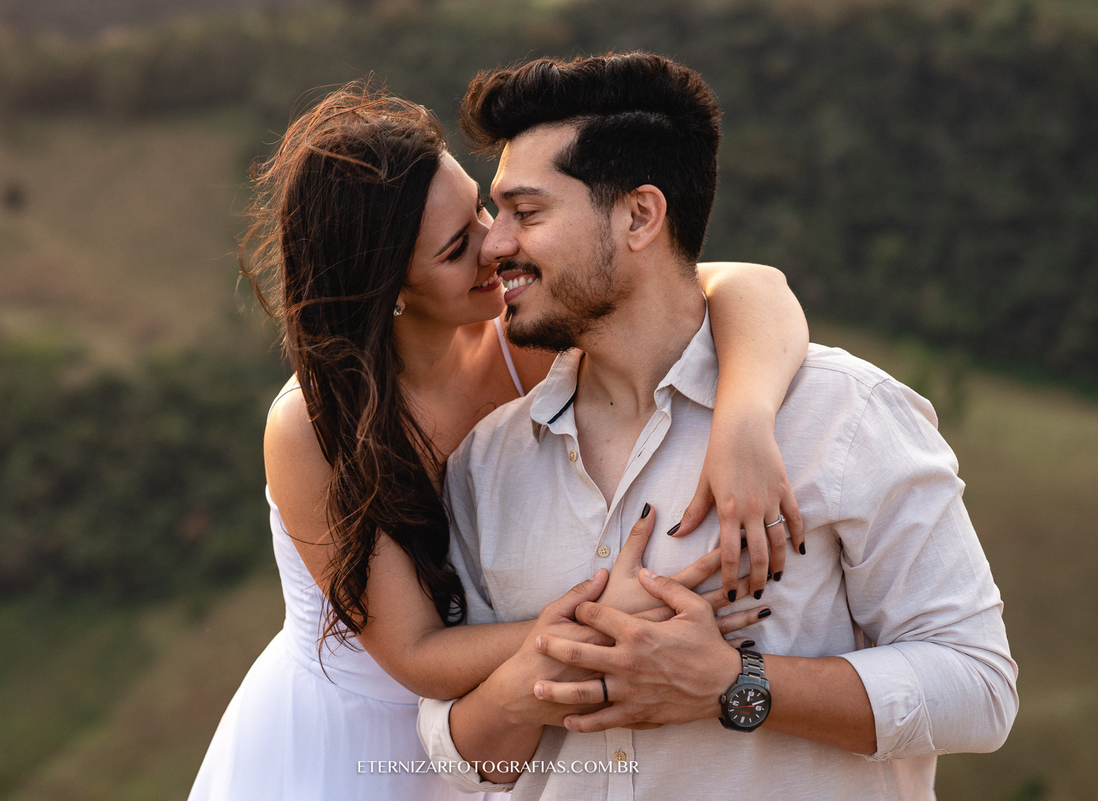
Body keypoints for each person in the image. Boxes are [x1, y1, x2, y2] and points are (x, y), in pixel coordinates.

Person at [417, 52, 1018, 800]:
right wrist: (540, 670)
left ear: (640, 215)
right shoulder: (488, 462)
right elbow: (462, 759)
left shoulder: (844, 415)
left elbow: (980, 687)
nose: (495, 243)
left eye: (527, 213)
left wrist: (734, 684)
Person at [187, 82, 812, 801]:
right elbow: (417, 654)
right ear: (389, 287)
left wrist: (744, 417)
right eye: (458, 248)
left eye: (482, 208)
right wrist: (603, 619)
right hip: (349, 744)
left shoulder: (526, 336)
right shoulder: (312, 425)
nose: (496, 243)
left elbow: (750, 286)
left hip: (497, 725)